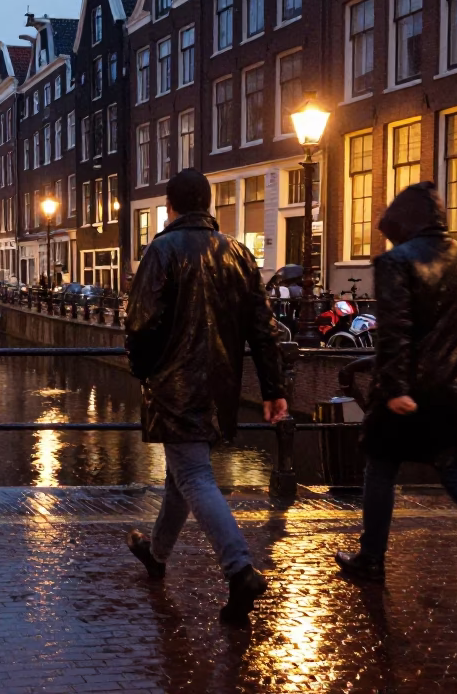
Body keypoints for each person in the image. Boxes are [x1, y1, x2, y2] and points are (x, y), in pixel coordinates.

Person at [334, 182, 457, 614]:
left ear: (402, 224)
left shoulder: (395, 261)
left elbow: (395, 331)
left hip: (413, 389)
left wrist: (395, 389)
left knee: (380, 465)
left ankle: (371, 559)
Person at [123, 168, 287, 623]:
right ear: (209, 205)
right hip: (220, 388)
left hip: (176, 388)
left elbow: (140, 324)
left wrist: (144, 371)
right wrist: (274, 390)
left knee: (194, 476)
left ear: (171, 207)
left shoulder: (162, 250)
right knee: (182, 475)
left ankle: (239, 571)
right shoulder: (237, 252)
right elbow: (263, 328)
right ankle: (157, 555)